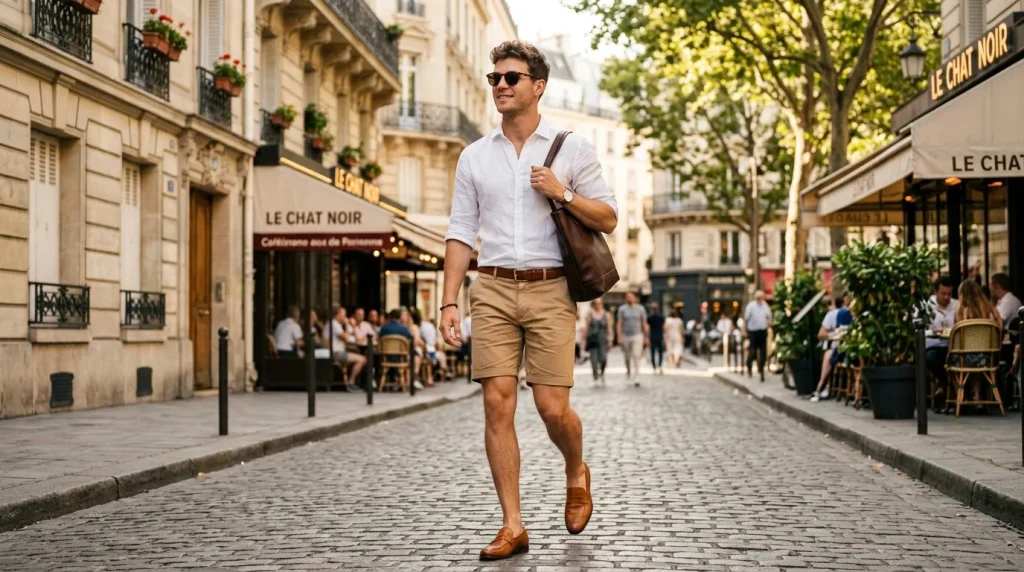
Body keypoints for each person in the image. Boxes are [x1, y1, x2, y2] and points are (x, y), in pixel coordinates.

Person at [438, 40, 615, 560]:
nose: (500, 86)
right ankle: (512, 525)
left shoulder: (571, 148)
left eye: (511, 78)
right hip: (490, 286)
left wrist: (561, 192)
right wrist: (450, 301)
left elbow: (607, 217)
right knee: (496, 402)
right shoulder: (475, 156)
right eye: (494, 78)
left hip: (550, 286)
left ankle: (574, 469)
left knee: (552, 407)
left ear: (538, 87)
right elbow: (460, 231)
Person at [950, 280, 1003, 402]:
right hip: (989, 358)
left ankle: (960, 396)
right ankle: (977, 396)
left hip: (965, 359)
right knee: (976, 357)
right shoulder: (990, 308)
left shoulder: (960, 310)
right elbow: (1000, 328)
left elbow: (957, 331)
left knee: (952, 359)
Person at [811, 297, 852, 402]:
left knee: (830, 356)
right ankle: (821, 386)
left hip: (847, 347)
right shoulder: (834, 314)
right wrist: (834, 336)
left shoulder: (851, 313)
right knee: (830, 355)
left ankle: (821, 388)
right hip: (836, 346)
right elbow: (821, 334)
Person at [925, 277, 957, 409]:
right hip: (933, 344)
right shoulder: (926, 306)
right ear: (935, 292)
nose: (946, 297)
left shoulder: (957, 305)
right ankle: (947, 386)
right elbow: (919, 331)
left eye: (949, 294)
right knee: (931, 358)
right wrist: (933, 331)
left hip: (952, 346)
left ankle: (946, 389)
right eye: (943, 293)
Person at [323, 305, 366, 390]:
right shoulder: (334, 324)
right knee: (362, 359)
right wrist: (347, 324)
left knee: (357, 354)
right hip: (336, 353)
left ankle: (351, 381)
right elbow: (346, 339)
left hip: (337, 352)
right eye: (344, 315)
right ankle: (351, 382)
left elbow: (351, 339)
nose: (345, 317)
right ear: (337, 315)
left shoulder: (335, 324)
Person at [617, 292, 648, 387]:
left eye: (631, 297)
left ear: (635, 298)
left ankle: (636, 376)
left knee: (636, 356)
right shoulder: (622, 309)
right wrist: (619, 336)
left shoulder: (640, 308)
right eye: (627, 297)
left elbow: (644, 323)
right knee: (627, 357)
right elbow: (619, 323)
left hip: (637, 335)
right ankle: (628, 372)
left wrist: (646, 337)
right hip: (626, 336)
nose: (629, 298)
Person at [380, 309, 414, 392]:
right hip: (401, 358)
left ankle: (384, 383)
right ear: (399, 317)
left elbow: (379, 340)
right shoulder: (404, 329)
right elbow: (410, 341)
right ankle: (405, 384)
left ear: (390, 317)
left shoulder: (384, 328)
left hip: (386, 358)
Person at [581, 298, 613, 386]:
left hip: (603, 340)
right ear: (593, 304)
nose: (598, 305)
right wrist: (583, 340)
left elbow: (609, 328)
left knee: (603, 359)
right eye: (596, 303)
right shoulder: (589, 315)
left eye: (599, 303)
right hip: (592, 340)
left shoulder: (606, 315)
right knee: (593, 360)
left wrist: (610, 339)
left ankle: (602, 373)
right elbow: (586, 328)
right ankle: (596, 377)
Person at [744, 290, 772, 382]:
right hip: (752, 331)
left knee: (763, 351)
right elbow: (746, 319)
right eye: (758, 297)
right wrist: (745, 331)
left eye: (761, 297)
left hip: (762, 331)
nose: (760, 299)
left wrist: (768, 325)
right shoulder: (751, 306)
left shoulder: (765, 306)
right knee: (752, 351)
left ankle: (761, 369)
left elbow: (768, 317)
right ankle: (749, 366)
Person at [419, 313, 450, 382]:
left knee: (437, 357)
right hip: (430, 351)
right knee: (441, 356)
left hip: (427, 351)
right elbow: (437, 344)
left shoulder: (420, 327)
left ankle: (434, 376)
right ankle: (443, 374)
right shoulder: (430, 327)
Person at [647, 303, 666, 375]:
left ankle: (654, 367)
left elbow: (648, 327)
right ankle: (660, 366)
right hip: (659, 336)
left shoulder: (649, 317)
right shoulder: (661, 317)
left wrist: (647, 337)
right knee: (660, 352)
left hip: (652, 336)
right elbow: (664, 327)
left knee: (652, 352)